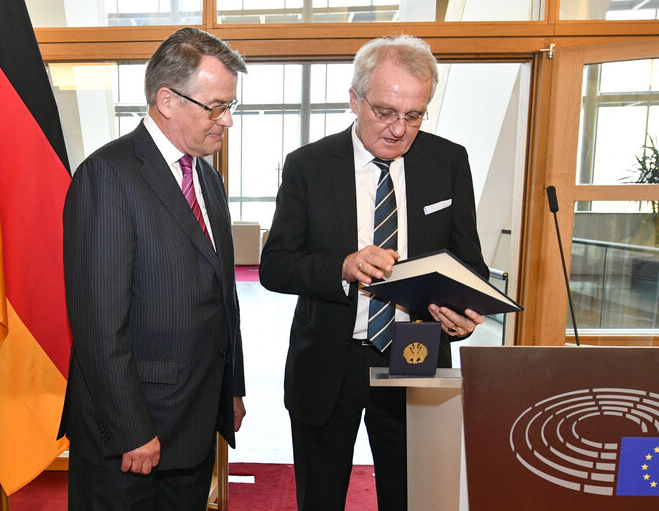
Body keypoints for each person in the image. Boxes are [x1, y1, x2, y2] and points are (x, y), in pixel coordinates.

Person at [259, 34, 489, 510]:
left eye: (414, 115)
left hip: (415, 353)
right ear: (354, 99)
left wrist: (465, 313)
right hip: (328, 361)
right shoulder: (309, 166)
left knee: (411, 498)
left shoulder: (448, 161)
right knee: (320, 498)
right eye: (385, 111)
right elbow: (275, 266)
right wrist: (342, 267)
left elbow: (470, 265)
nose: (399, 129)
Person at [58, 27, 247, 511]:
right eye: (216, 106)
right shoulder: (107, 176)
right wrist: (132, 429)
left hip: (196, 421)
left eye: (231, 106)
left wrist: (232, 389)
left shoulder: (207, 176)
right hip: (131, 435)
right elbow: (99, 325)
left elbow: (223, 297)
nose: (227, 121)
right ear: (167, 99)